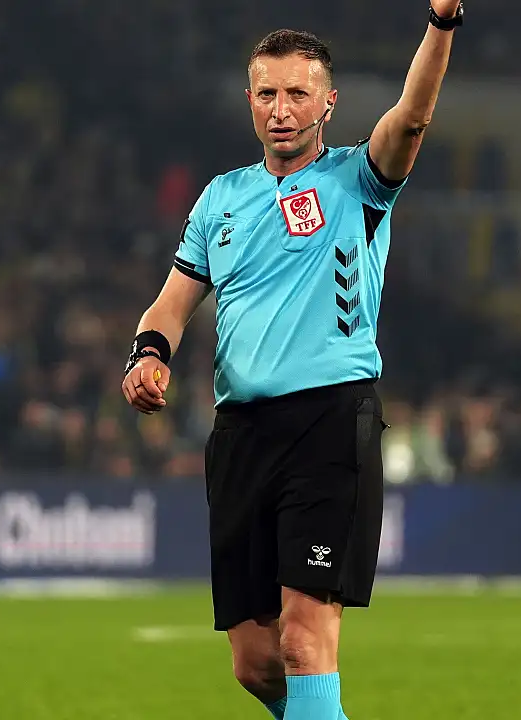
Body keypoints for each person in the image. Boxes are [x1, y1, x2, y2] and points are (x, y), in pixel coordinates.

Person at [121, 5, 463, 719]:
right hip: (240, 435)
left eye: (298, 94)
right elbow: (170, 306)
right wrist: (148, 356)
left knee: (306, 641)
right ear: (249, 100)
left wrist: (441, 23)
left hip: (328, 423)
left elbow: (411, 119)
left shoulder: (359, 181)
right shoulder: (221, 198)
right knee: (256, 664)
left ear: (328, 103)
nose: (281, 110)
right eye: (268, 94)